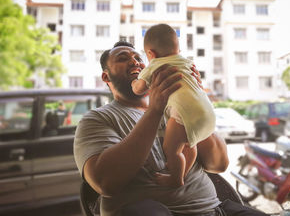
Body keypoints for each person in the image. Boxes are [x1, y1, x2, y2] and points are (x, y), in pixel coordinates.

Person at [73, 40, 268, 216]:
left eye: (138, 57)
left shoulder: (176, 108)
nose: (135, 62)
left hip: (216, 210)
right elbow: (105, 182)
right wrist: (155, 110)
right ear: (106, 77)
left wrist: (194, 98)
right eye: (123, 58)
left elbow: (218, 163)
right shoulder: (97, 119)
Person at [131, 24, 215, 188]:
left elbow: (139, 89)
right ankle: (182, 171)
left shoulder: (155, 65)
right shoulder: (188, 62)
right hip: (207, 112)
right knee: (189, 144)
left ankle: (176, 178)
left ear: (150, 54)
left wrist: (134, 82)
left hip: (184, 114)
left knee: (171, 149)